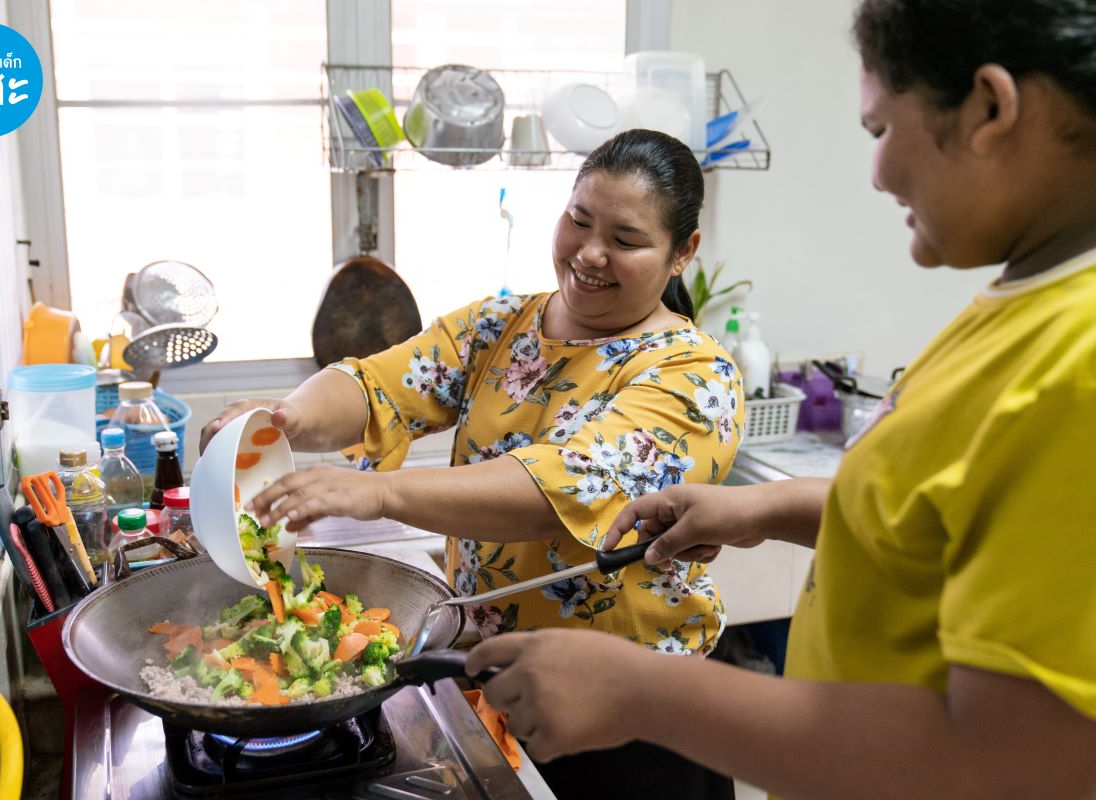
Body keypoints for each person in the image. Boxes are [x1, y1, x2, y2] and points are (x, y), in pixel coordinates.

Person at [466, 2, 1096, 798]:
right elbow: (956, 521)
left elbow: (1019, 763)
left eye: (879, 131)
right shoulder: (1023, 307)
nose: (879, 173)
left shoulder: (1079, 367)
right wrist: (764, 514)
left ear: (991, 108)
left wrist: (640, 692)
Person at [201, 129, 745, 798]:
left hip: (634, 710)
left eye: (626, 240)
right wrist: (285, 418)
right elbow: (378, 384)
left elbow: (561, 486)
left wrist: (378, 494)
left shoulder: (694, 375)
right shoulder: (502, 325)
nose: (590, 254)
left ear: (683, 252)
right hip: (495, 677)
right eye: (578, 221)